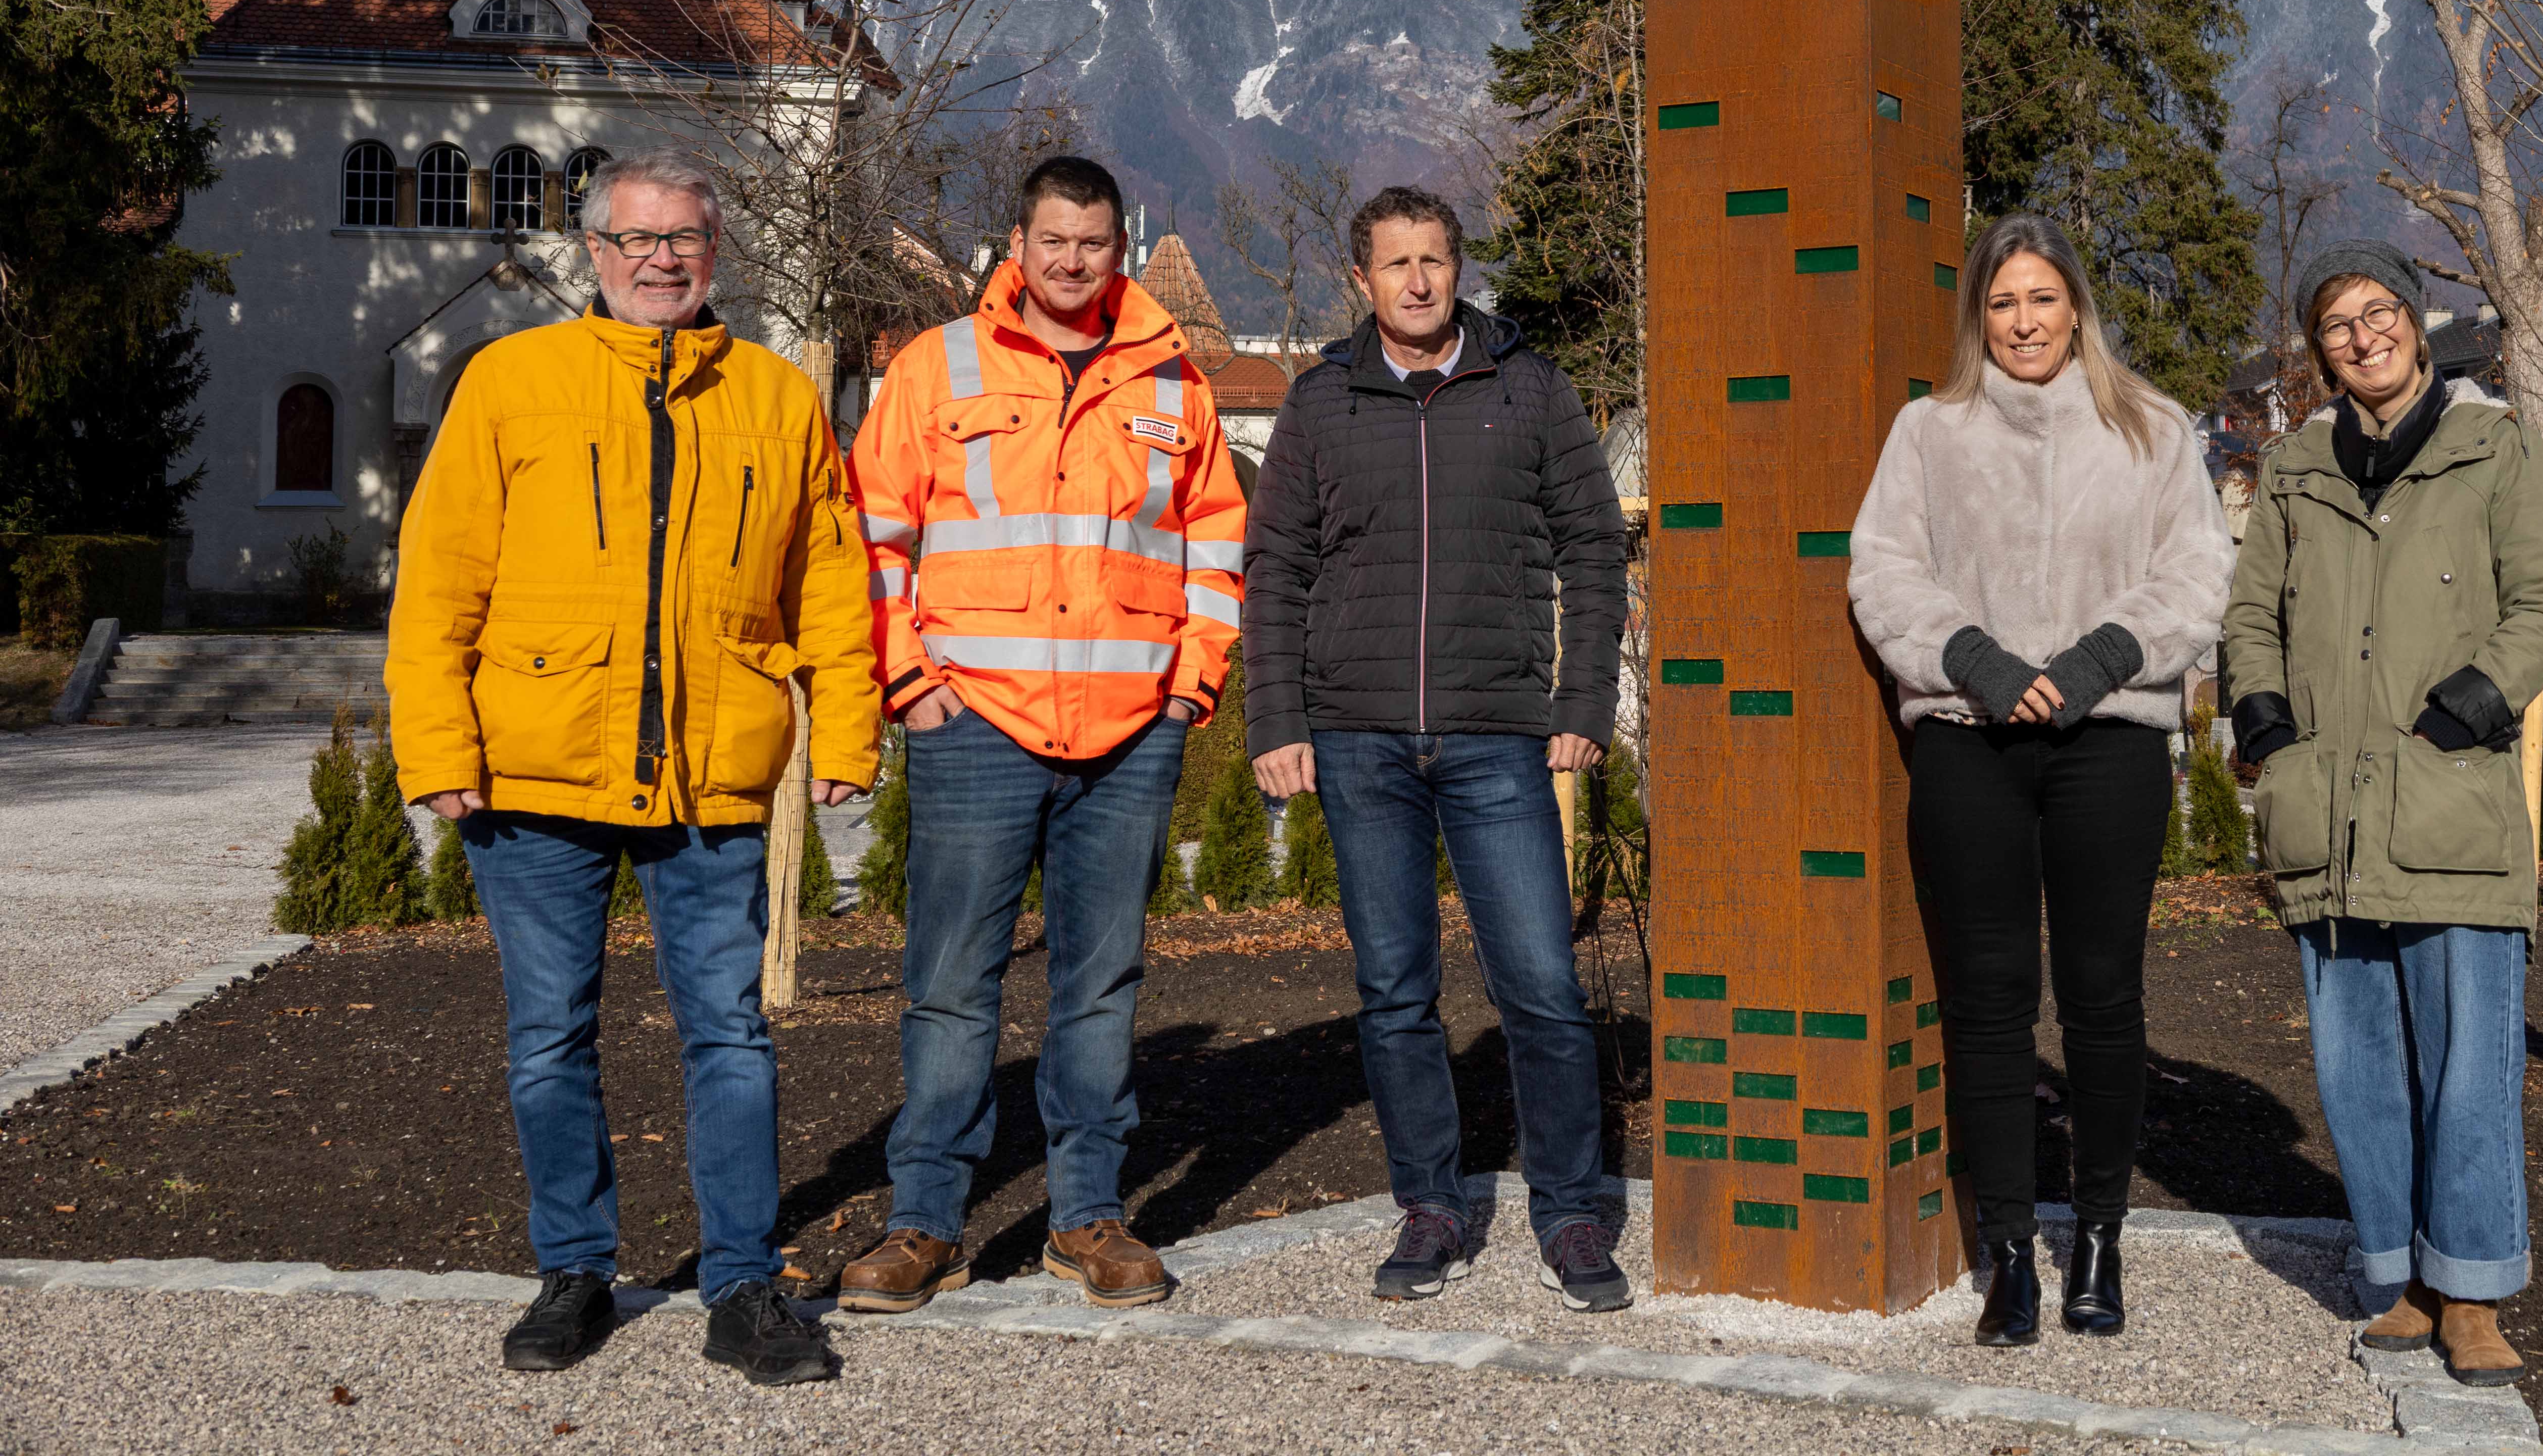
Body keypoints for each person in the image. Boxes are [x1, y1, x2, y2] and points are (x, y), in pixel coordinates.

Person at [390, 151, 878, 1386]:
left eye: (685, 240)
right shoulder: (511, 381)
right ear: (594, 254)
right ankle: (574, 1270)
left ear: (718, 254)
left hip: (712, 777)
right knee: (550, 1035)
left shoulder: (777, 397)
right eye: (637, 239)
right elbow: (440, 578)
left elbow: (829, 578)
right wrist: (438, 747)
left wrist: (849, 731)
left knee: (729, 1033)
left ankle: (741, 1286)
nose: (661, 259)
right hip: (534, 776)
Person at [836, 156, 1246, 1317]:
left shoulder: (1174, 378)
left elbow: (1218, 541)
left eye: (1096, 242)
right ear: (1017, 241)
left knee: (1100, 981)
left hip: (1130, 731)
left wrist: (1191, 684)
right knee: (952, 982)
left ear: (1124, 245)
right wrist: (907, 680)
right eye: (1053, 240)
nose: (1073, 261)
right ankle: (923, 1222)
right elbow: (874, 535)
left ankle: (1088, 1217)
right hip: (976, 724)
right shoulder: (937, 365)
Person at [1241, 186, 1632, 1311]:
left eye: (1434, 260)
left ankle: (1569, 1212)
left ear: (1460, 269)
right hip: (1359, 740)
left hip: (1496, 735)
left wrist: (1581, 699)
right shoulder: (1322, 405)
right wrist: (1277, 719)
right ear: (1360, 279)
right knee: (1396, 990)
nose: (1416, 281)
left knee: (1546, 987)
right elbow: (1276, 573)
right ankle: (1432, 1202)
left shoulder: (1531, 388)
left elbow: (1594, 551)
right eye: (1393, 262)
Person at [1848, 214, 2236, 1346]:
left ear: (2078, 308)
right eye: (2003, 303)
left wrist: (2098, 659)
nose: (2024, 321)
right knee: (1989, 1000)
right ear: (1980, 317)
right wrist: (1974, 659)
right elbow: (1884, 567)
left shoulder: (2152, 430)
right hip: (1972, 739)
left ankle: (2100, 1236)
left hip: (2107, 739)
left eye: (2043, 299)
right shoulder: (1929, 433)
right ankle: (2011, 1248)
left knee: (2105, 997)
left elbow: (2198, 569)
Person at [2221, 240, 2543, 1388]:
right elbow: (2248, 620)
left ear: (2418, 326)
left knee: (2470, 1064)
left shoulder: (2494, 449)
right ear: (2318, 350)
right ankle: (2402, 1277)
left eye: (2380, 312)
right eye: (2337, 323)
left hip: (2452, 806)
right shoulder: (2292, 467)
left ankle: (2472, 1289)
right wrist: (2271, 732)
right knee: (2358, 1061)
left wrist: (2468, 709)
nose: (2363, 335)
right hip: (2324, 813)